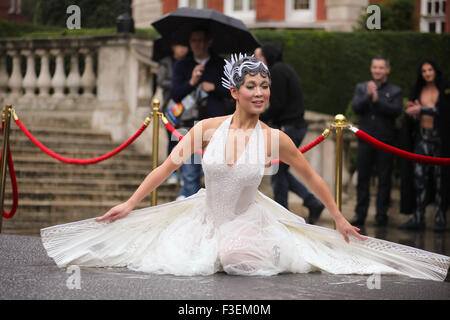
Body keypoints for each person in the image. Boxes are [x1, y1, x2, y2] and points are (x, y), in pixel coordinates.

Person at [40, 54, 450, 281]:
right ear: (234, 92)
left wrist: (340, 218)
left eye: (265, 86)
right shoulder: (205, 129)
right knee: (155, 253)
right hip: (203, 214)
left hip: (248, 218)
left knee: (237, 259)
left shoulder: (275, 138)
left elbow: (312, 177)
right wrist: (129, 204)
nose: (260, 92)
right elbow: (165, 168)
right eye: (251, 86)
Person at [254, 44, 324, 225]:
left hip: (290, 128)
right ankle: (310, 202)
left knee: (278, 172)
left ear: (267, 56)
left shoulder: (276, 71)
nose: (256, 61)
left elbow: (278, 105)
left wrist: (257, 117)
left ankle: (282, 215)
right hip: (293, 127)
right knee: (281, 171)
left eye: (258, 57)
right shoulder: (282, 69)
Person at [170, 27, 231, 200]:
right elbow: (175, 94)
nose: (196, 44)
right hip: (189, 124)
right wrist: (191, 82)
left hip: (216, 125)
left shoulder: (221, 64)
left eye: (200, 40)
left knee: (218, 173)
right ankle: (191, 214)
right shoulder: (182, 64)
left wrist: (213, 88)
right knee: (190, 173)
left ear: (208, 42)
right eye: (193, 40)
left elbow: (233, 91)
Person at [350, 56, 403, 227]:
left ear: (387, 69)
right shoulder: (362, 87)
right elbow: (356, 108)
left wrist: (377, 100)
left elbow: (395, 111)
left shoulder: (395, 91)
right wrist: (368, 95)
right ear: (371, 69)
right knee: (362, 178)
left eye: (381, 68)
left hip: (385, 141)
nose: (377, 70)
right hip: (365, 141)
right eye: (375, 67)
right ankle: (360, 214)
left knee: (384, 179)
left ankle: (381, 215)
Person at [399, 58, 450, 232]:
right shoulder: (418, 89)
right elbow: (413, 115)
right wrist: (412, 111)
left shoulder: (444, 88)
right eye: (424, 71)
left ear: (435, 70)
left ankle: (440, 218)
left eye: (430, 70)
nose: (427, 73)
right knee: (419, 179)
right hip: (422, 138)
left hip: (440, 141)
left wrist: (422, 110)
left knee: (440, 179)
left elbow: (445, 110)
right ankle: (418, 216)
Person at [157, 41, 188, 185]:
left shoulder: (189, 63)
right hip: (171, 107)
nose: (182, 49)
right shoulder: (166, 63)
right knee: (172, 140)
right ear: (173, 46)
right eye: (179, 45)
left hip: (187, 107)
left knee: (186, 141)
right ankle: (172, 173)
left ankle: (185, 174)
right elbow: (160, 81)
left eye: (184, 46)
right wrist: (178, 84)